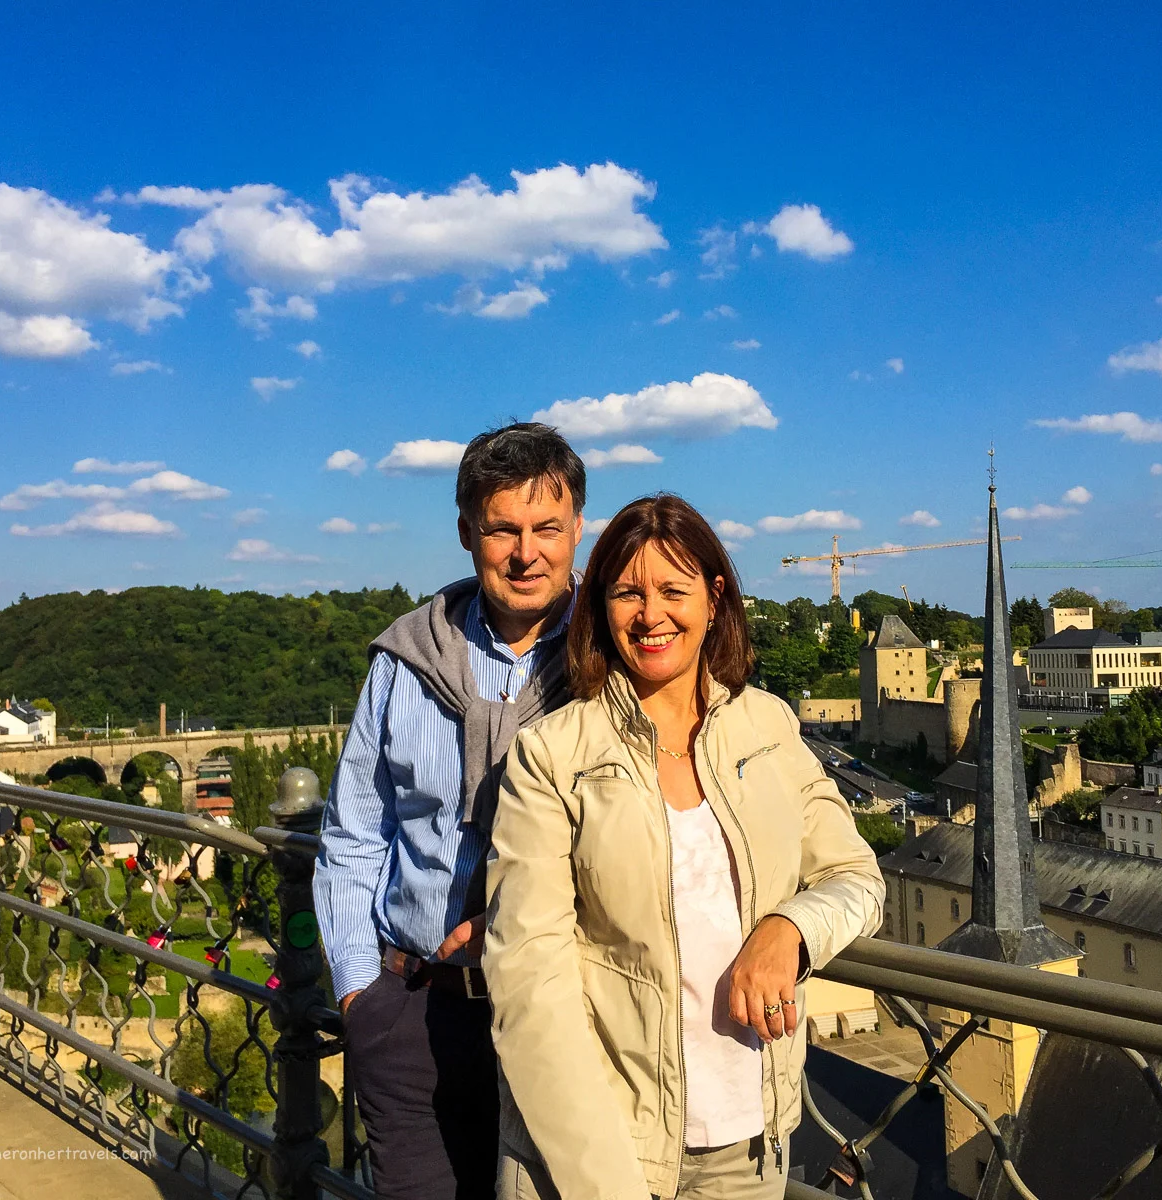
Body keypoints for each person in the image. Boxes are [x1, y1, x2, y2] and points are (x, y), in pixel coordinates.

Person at [484, 494, 885, 1200]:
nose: (650, 615)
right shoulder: (551, 757)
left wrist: (790, 928)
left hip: (748, 1153)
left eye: (674, 589)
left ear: (715, 595)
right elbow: (530, 987)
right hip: (599, 1158)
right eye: (627, 593)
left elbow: (858, 879)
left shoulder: (767, 726)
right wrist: (604, 1183)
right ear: (601, 607)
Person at [313, 422, 587, 1200]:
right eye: (503, 528)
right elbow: (353, 834)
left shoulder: (610, 660)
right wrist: (362, 995)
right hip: (414, 1010)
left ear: (577, 531)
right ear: (468, 534)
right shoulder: (405, 660)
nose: (525, 552)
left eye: (546, 529)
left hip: (559, 1018)